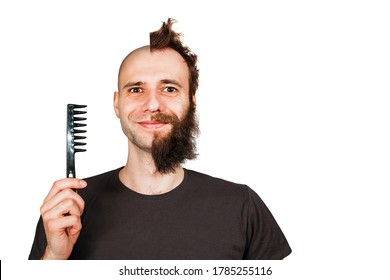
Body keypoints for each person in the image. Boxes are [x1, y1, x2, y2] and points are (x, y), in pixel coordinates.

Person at [29, 18, 292, 260]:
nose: (152, 103)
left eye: (169, 88)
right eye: (136, 89)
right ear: (116, 104)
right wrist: (53, 257)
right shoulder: (67, 210)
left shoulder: (240, 206)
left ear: (191, 102)